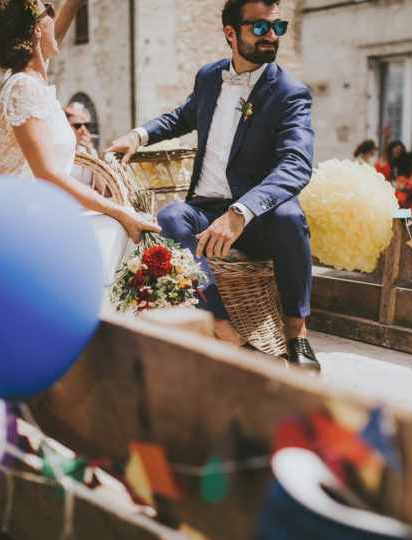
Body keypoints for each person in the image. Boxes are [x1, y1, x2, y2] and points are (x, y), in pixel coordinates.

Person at [105, 0, 319, 372]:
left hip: (255, 221)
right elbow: (183, 116)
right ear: (230, 33)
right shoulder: (208, 77)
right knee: (171, 217)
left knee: (289, 214)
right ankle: (225, 332)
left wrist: (240, 212)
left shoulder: (290, 93)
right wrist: (138, 135)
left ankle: (296, 334)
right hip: (203, 210)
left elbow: (297, 164)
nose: (272, 36)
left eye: (277, 27)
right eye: (260, 28)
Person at [0, 0, 159, 281]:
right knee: (119, 229)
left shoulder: (27, 78)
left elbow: (52, 38)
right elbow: (47, 174)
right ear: (36, 29)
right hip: (25, 225)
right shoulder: (22, 88)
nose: (53, 14)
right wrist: (121, 211)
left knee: (124, 228)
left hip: (46, 213)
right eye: (48, 8)